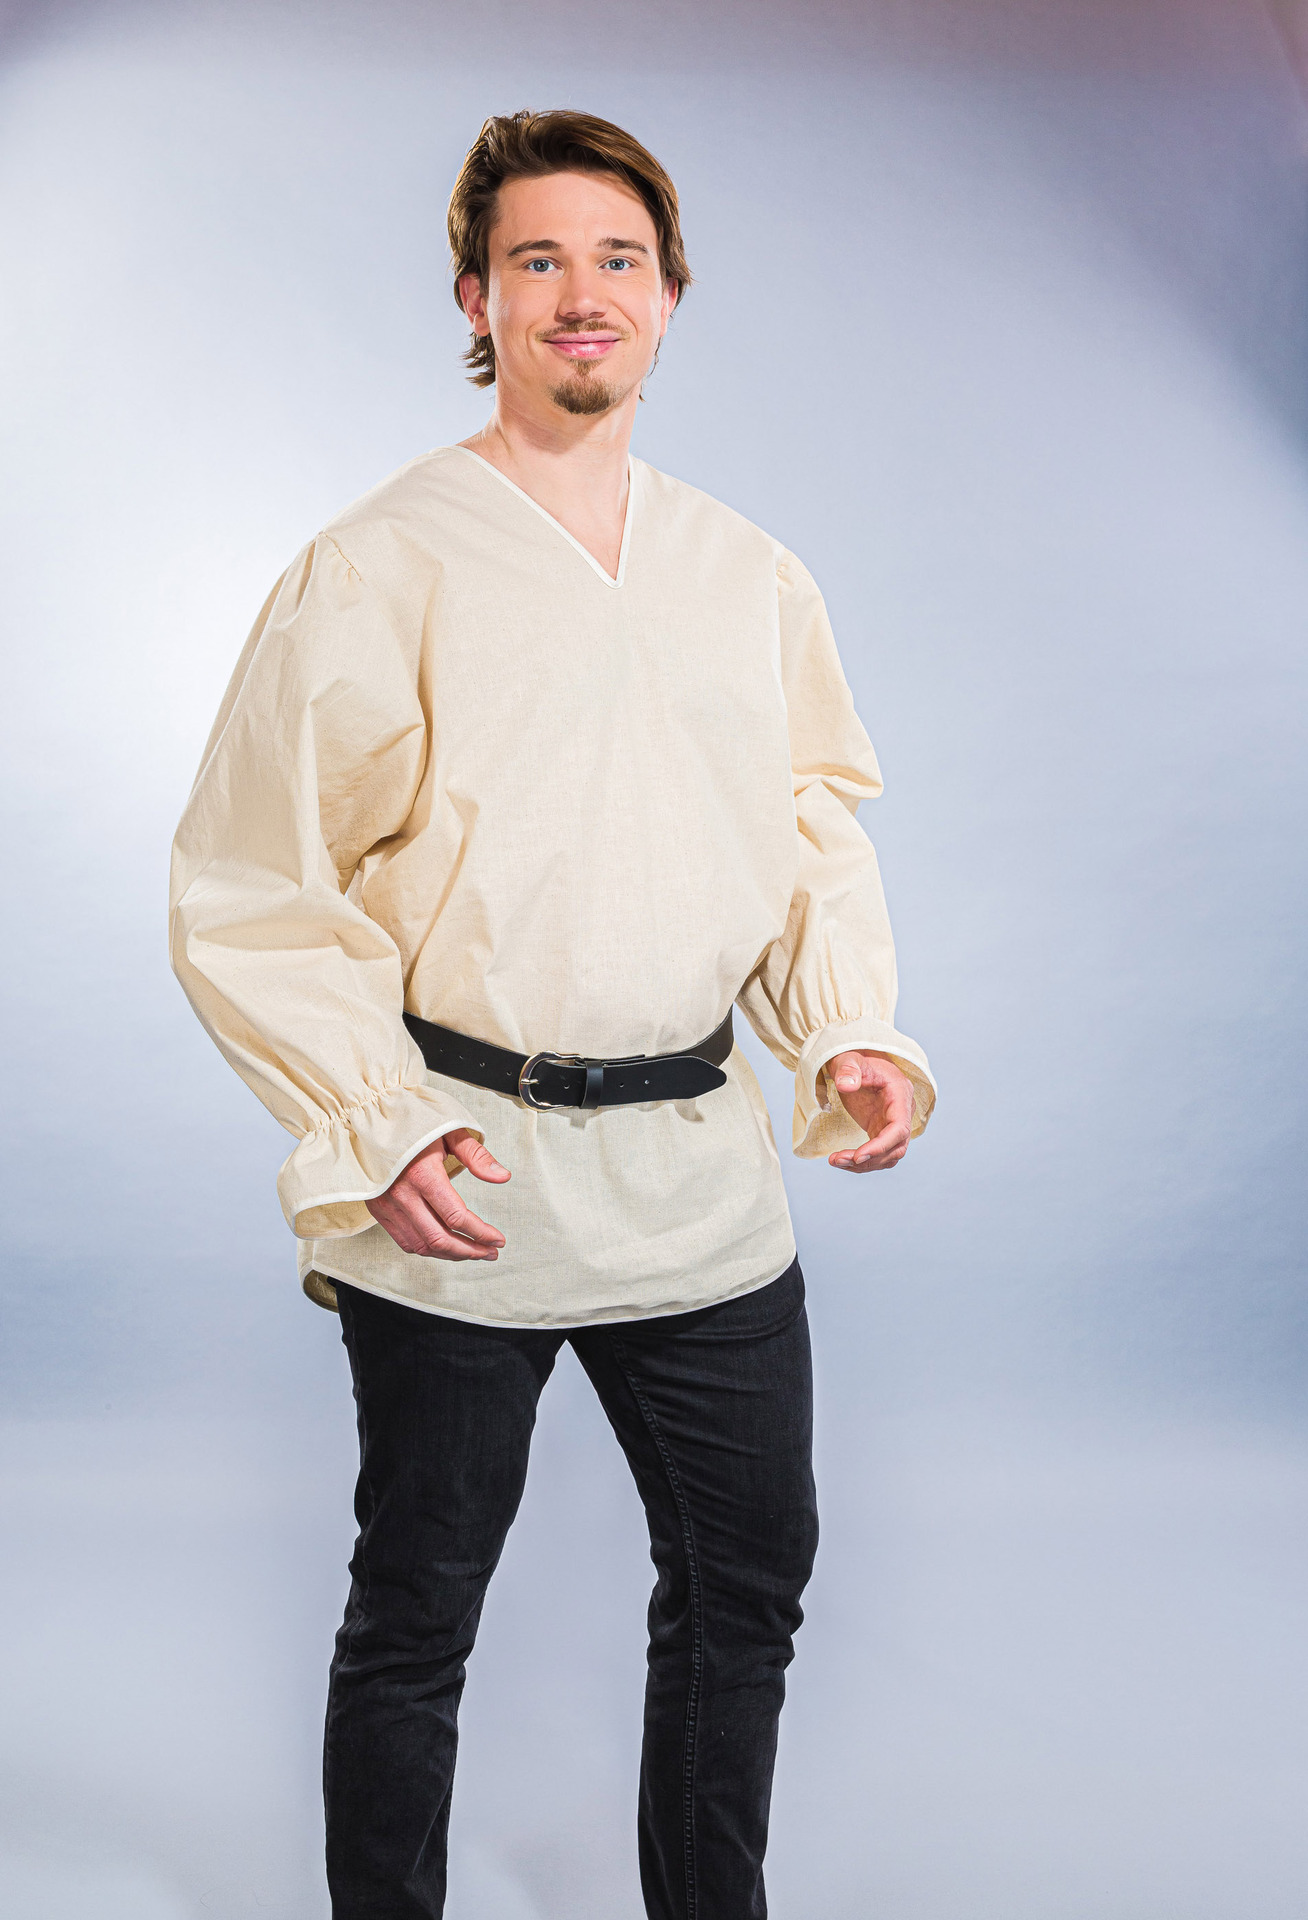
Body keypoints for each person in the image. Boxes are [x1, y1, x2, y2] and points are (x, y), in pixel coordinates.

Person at [169, 107, 935, 1920]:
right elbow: (255, 874)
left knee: (747, 1587)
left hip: (697, 1172)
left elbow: (804, 823)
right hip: (466, 1168)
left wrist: (844, 1027)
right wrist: (376, 1119)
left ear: (670, 297)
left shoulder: (746, 574)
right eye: (537, 261)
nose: (582, 294)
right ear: (477, 300)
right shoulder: (381, 565)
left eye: (617, 259)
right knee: (418, 1607)